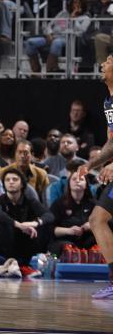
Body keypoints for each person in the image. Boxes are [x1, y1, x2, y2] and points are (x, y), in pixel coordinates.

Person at [77, 55, 113, 299]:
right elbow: (112, 142)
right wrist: (91, 163)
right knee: (97, 219)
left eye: (109, 60)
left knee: (98, 219)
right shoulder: (108, 102)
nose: (103, 64)